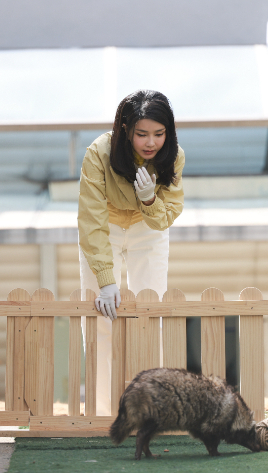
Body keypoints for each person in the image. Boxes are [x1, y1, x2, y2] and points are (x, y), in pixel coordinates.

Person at [78, 90, 185, 416]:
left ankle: (148, 408)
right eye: (142, 134)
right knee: (99, 319)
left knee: (151, 317)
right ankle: (102, 411)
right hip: (105, 228)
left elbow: (170, 213)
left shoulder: (174, 156)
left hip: (147, 229)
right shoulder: (99, 152)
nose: (151, 142)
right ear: (125, 129)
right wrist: (106, 279)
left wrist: (150, 199)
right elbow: (91, 220)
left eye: (159, 133)